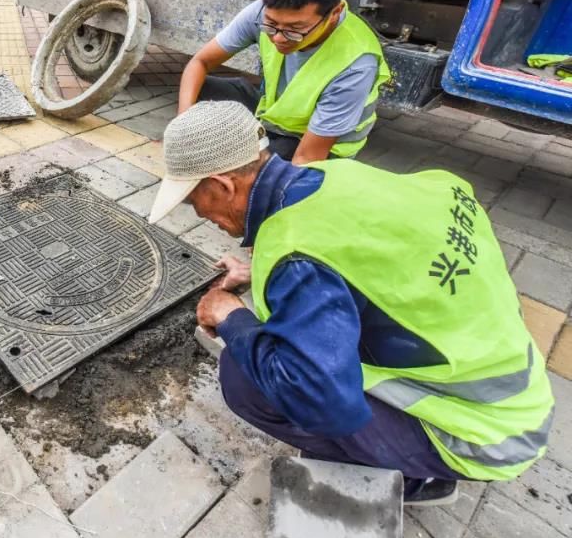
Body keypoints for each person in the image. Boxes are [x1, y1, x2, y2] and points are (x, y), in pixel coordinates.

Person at [149, 101, 554, 504]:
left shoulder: (295, 254)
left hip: (481, 435)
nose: (201, 213)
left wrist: (231, 315)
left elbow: (321, 402)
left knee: (244, 376)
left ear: (223, 185)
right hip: (517, 394)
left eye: (195, 201)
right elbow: (373, 255)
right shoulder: (336, 175)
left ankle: (413, 477)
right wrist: (259, 274)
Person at [177, 0, 390, 164]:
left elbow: (307, 157)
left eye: (295, 29)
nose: (278, 37)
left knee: (242, 176)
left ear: (334, 13)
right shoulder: (263, 11)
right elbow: (200, 62)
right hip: (273, 117)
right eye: (271, 24)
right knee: (199, 88)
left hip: (315, 143)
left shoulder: (356, 63)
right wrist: (183, 127)